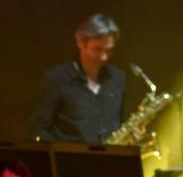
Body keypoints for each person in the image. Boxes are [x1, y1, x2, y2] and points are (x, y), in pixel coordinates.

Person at [30, 13, 125, 144]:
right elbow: (37, 130)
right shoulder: (56, 79)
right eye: (97, 49)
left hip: (110, 161)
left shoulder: (117, 78)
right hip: (70, 161)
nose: (104, 57)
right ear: (81, 43)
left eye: (109, 50)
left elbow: (120, 124)